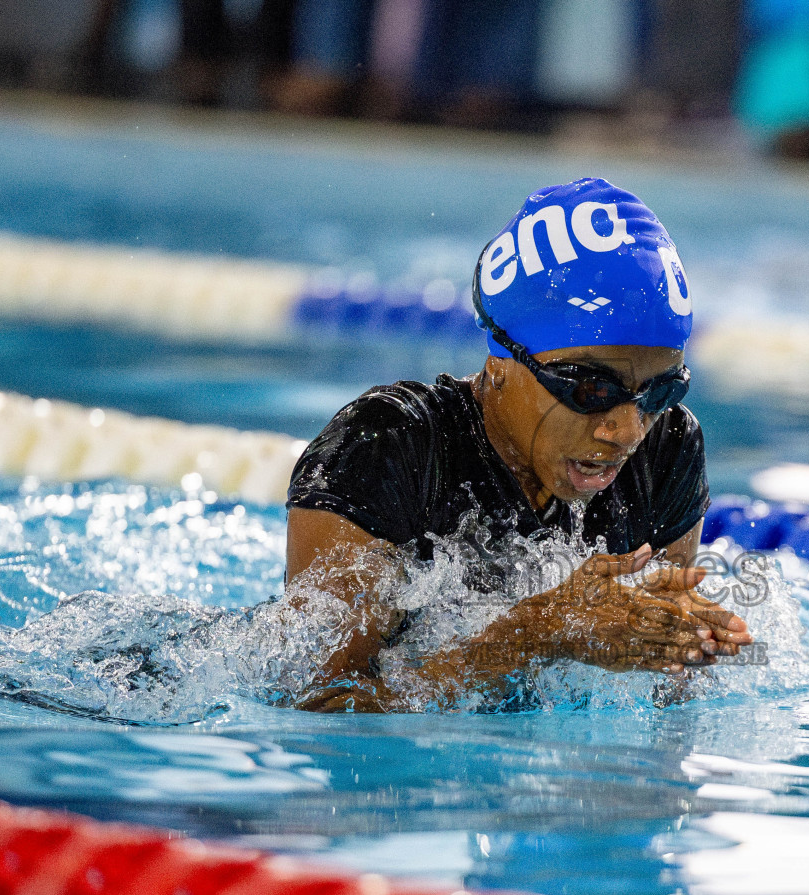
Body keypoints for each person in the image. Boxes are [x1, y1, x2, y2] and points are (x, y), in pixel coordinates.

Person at [284, 178, 754, 712]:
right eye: (591, 388)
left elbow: (668, 711)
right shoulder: (385, 448)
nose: (627, 431)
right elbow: (319, 707)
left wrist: (684, 650)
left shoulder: (667, 449)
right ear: (501, 362)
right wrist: (532, 636)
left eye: (661, 390)